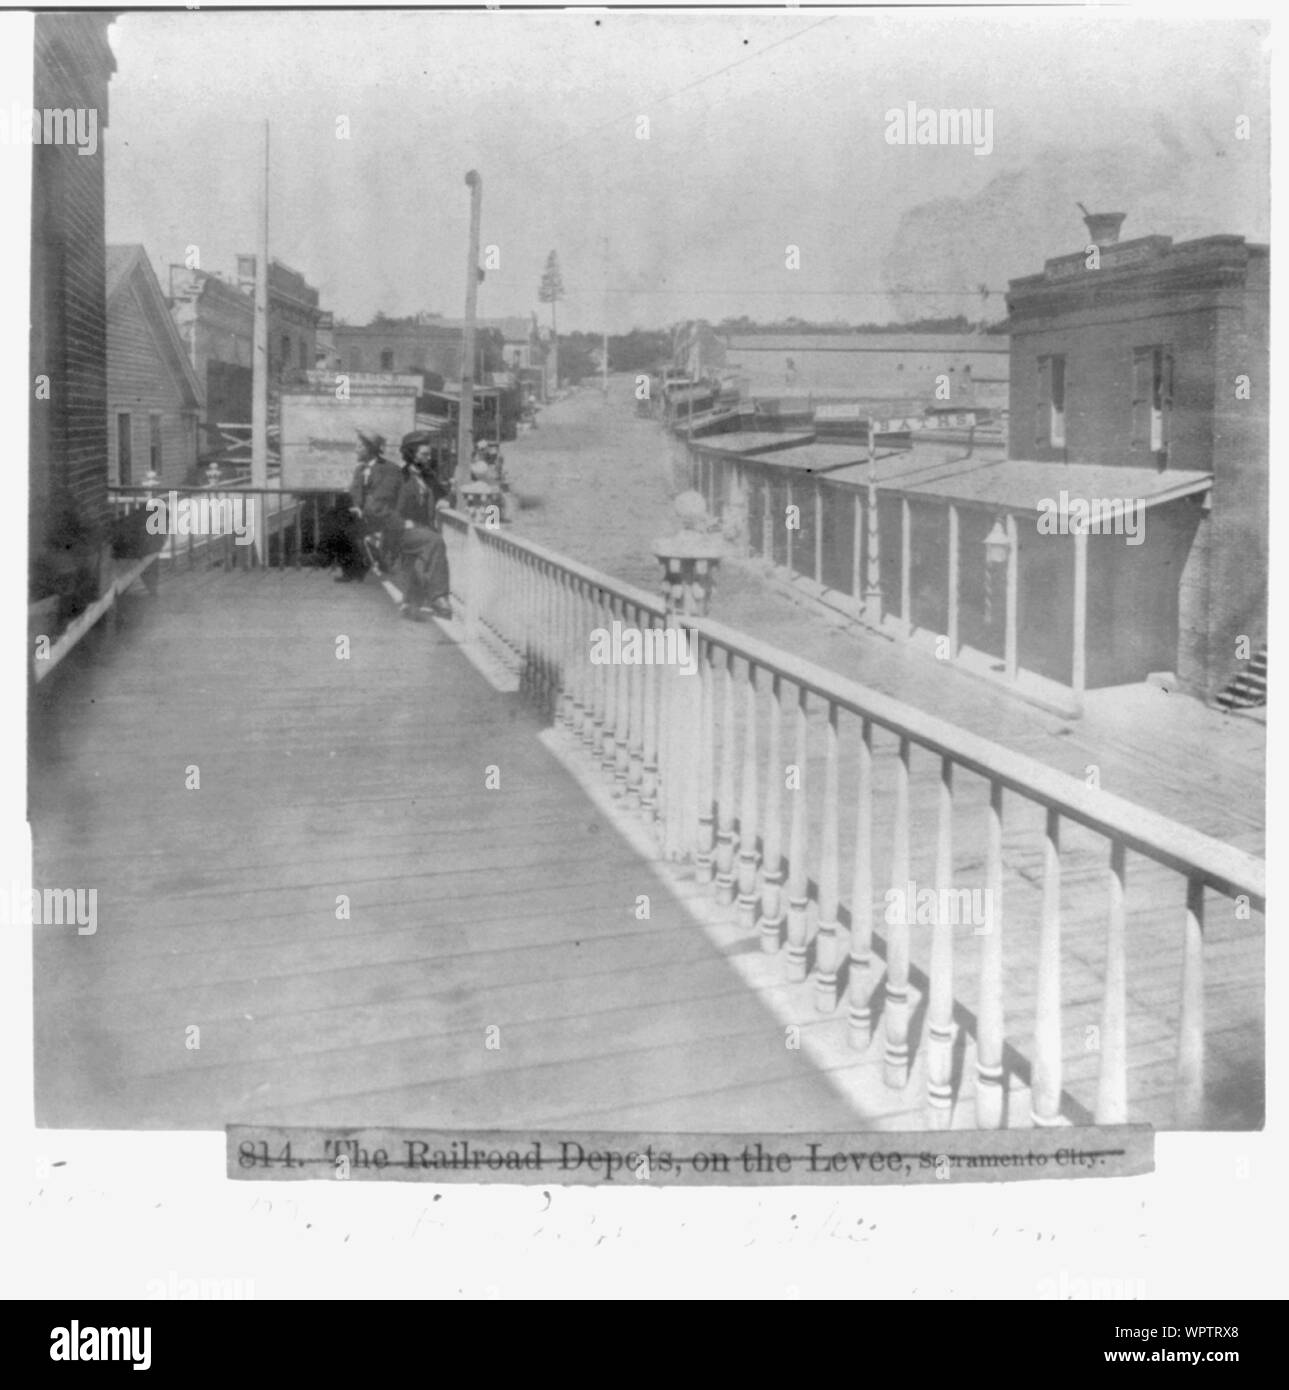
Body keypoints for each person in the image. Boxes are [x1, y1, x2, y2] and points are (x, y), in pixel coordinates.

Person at [393, 431, 452, 621]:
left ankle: (412, 602)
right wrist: (402, 522)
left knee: (427, 551)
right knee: (435, 541)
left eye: (429, 454)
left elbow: (447, 493)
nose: (429, 458)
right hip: (401, 532)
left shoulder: (428, 476)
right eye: (424, 454)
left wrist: (445, 500)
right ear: (411, 454)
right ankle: (438, 597)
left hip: (421, 531)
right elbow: (384, 508)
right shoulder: (398, 478)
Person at [335, 431, 403, 582]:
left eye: (359, 446)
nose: (355, 450)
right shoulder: (360, 469)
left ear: (370, 449)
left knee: (356, 528)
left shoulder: (390, 469)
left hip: (384, 517)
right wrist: (355, 507)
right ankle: (352, 571)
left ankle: (381, 561)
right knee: (341, 523)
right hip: (367, 515)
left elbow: (383, 497)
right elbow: (355, 492)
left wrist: (362, 510)